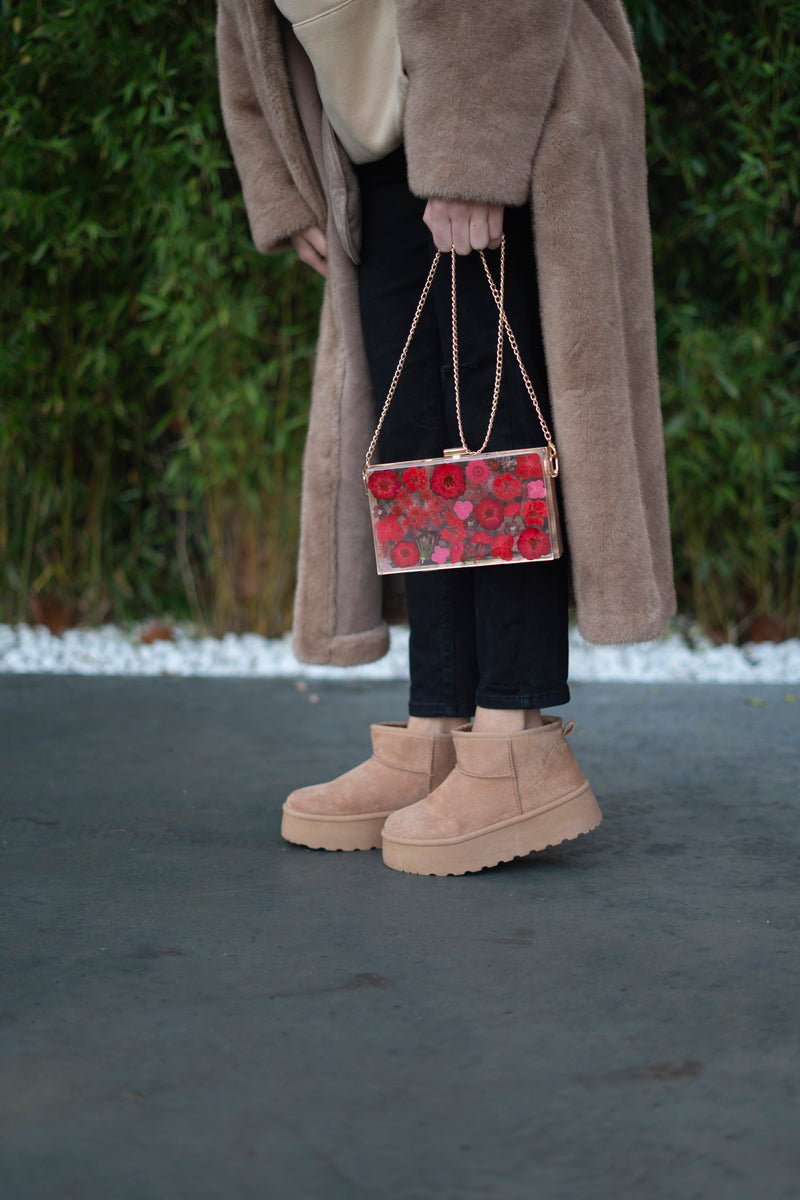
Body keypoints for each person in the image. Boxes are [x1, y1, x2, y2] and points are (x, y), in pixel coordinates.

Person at [215, 0, 676, 875]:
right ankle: (440, 727)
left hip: (502, 104)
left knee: (494, 438)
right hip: (367, 147)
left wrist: (473, 142)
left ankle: (513, 738)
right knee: (419, 450)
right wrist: (284, 176)